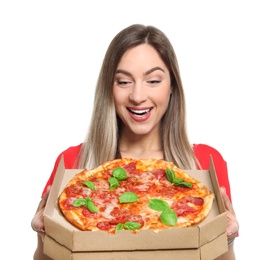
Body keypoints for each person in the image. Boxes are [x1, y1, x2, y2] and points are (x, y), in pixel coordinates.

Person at [31, 24, 239, 259]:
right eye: (123, 81)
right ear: (109, 88)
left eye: (153, 80)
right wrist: (43, 236)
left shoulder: (204, 162)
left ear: (172, 87)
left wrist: (227, 239)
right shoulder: (72, 161)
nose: (138, 96)